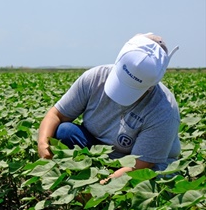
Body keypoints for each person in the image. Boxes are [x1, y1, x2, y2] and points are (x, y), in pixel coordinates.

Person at [37, 33, 181, 184]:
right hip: (97, 151)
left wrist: (102, 186)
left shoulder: (164, 109)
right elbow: (56, 114)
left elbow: (142, 164)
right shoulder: (95, 77)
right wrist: (42, 144)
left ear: (151, 84)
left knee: (150, 181)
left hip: (141, 164)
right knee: (65, 131)